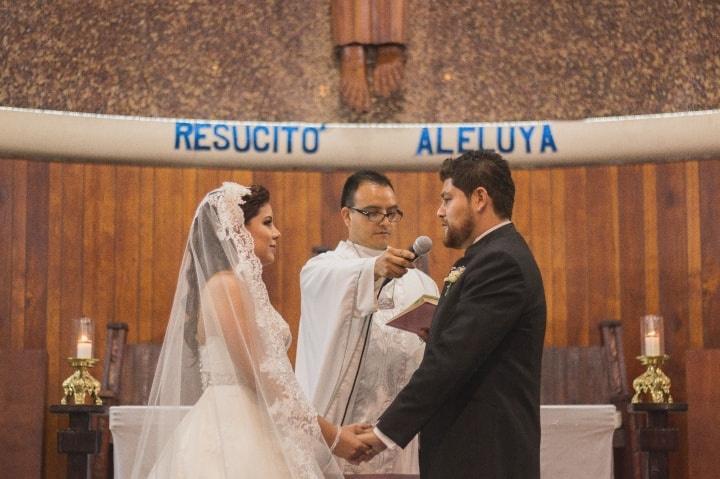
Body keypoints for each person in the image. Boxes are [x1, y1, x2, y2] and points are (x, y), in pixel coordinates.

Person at [129, 182, 370, 479]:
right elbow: (263, 377)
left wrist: (332, 433)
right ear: (236, 229)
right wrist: (331, 436)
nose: (277, 233)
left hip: (257, 421)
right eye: (267, 223)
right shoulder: (226, 286)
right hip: (236, 431)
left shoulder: (238, 287)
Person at [359, 150, 547, 478]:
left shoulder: (501, 262)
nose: (440, 212)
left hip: (485, 456)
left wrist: (383, 432)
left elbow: (451, 360)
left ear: (479, 198)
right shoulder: (484, 257)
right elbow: (473, 342)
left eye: (447, 199)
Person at [295, 170, 439, 474]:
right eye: (372, 212)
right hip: (338, 437)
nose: (384, 221)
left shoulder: (421, 283)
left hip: (396, 442)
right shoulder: (322, 269)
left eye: (391, 213)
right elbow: (332, 281)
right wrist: (373, 268)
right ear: (347, 216)